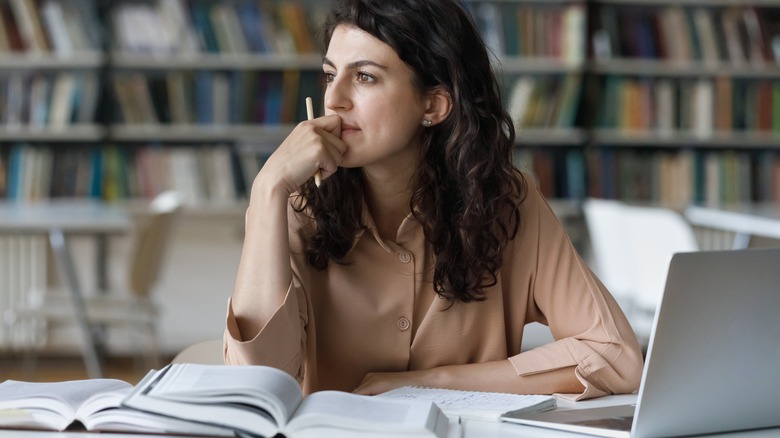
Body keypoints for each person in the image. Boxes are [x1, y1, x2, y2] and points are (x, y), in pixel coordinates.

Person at [224, 0, 643, 400]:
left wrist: (434, 381)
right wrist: (267, 192)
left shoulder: (507, 202)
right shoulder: (299, 205)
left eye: (365, 76)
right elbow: (255, 385)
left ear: (434, 104)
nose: (334, 99)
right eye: (331, 75)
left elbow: (616, 356)